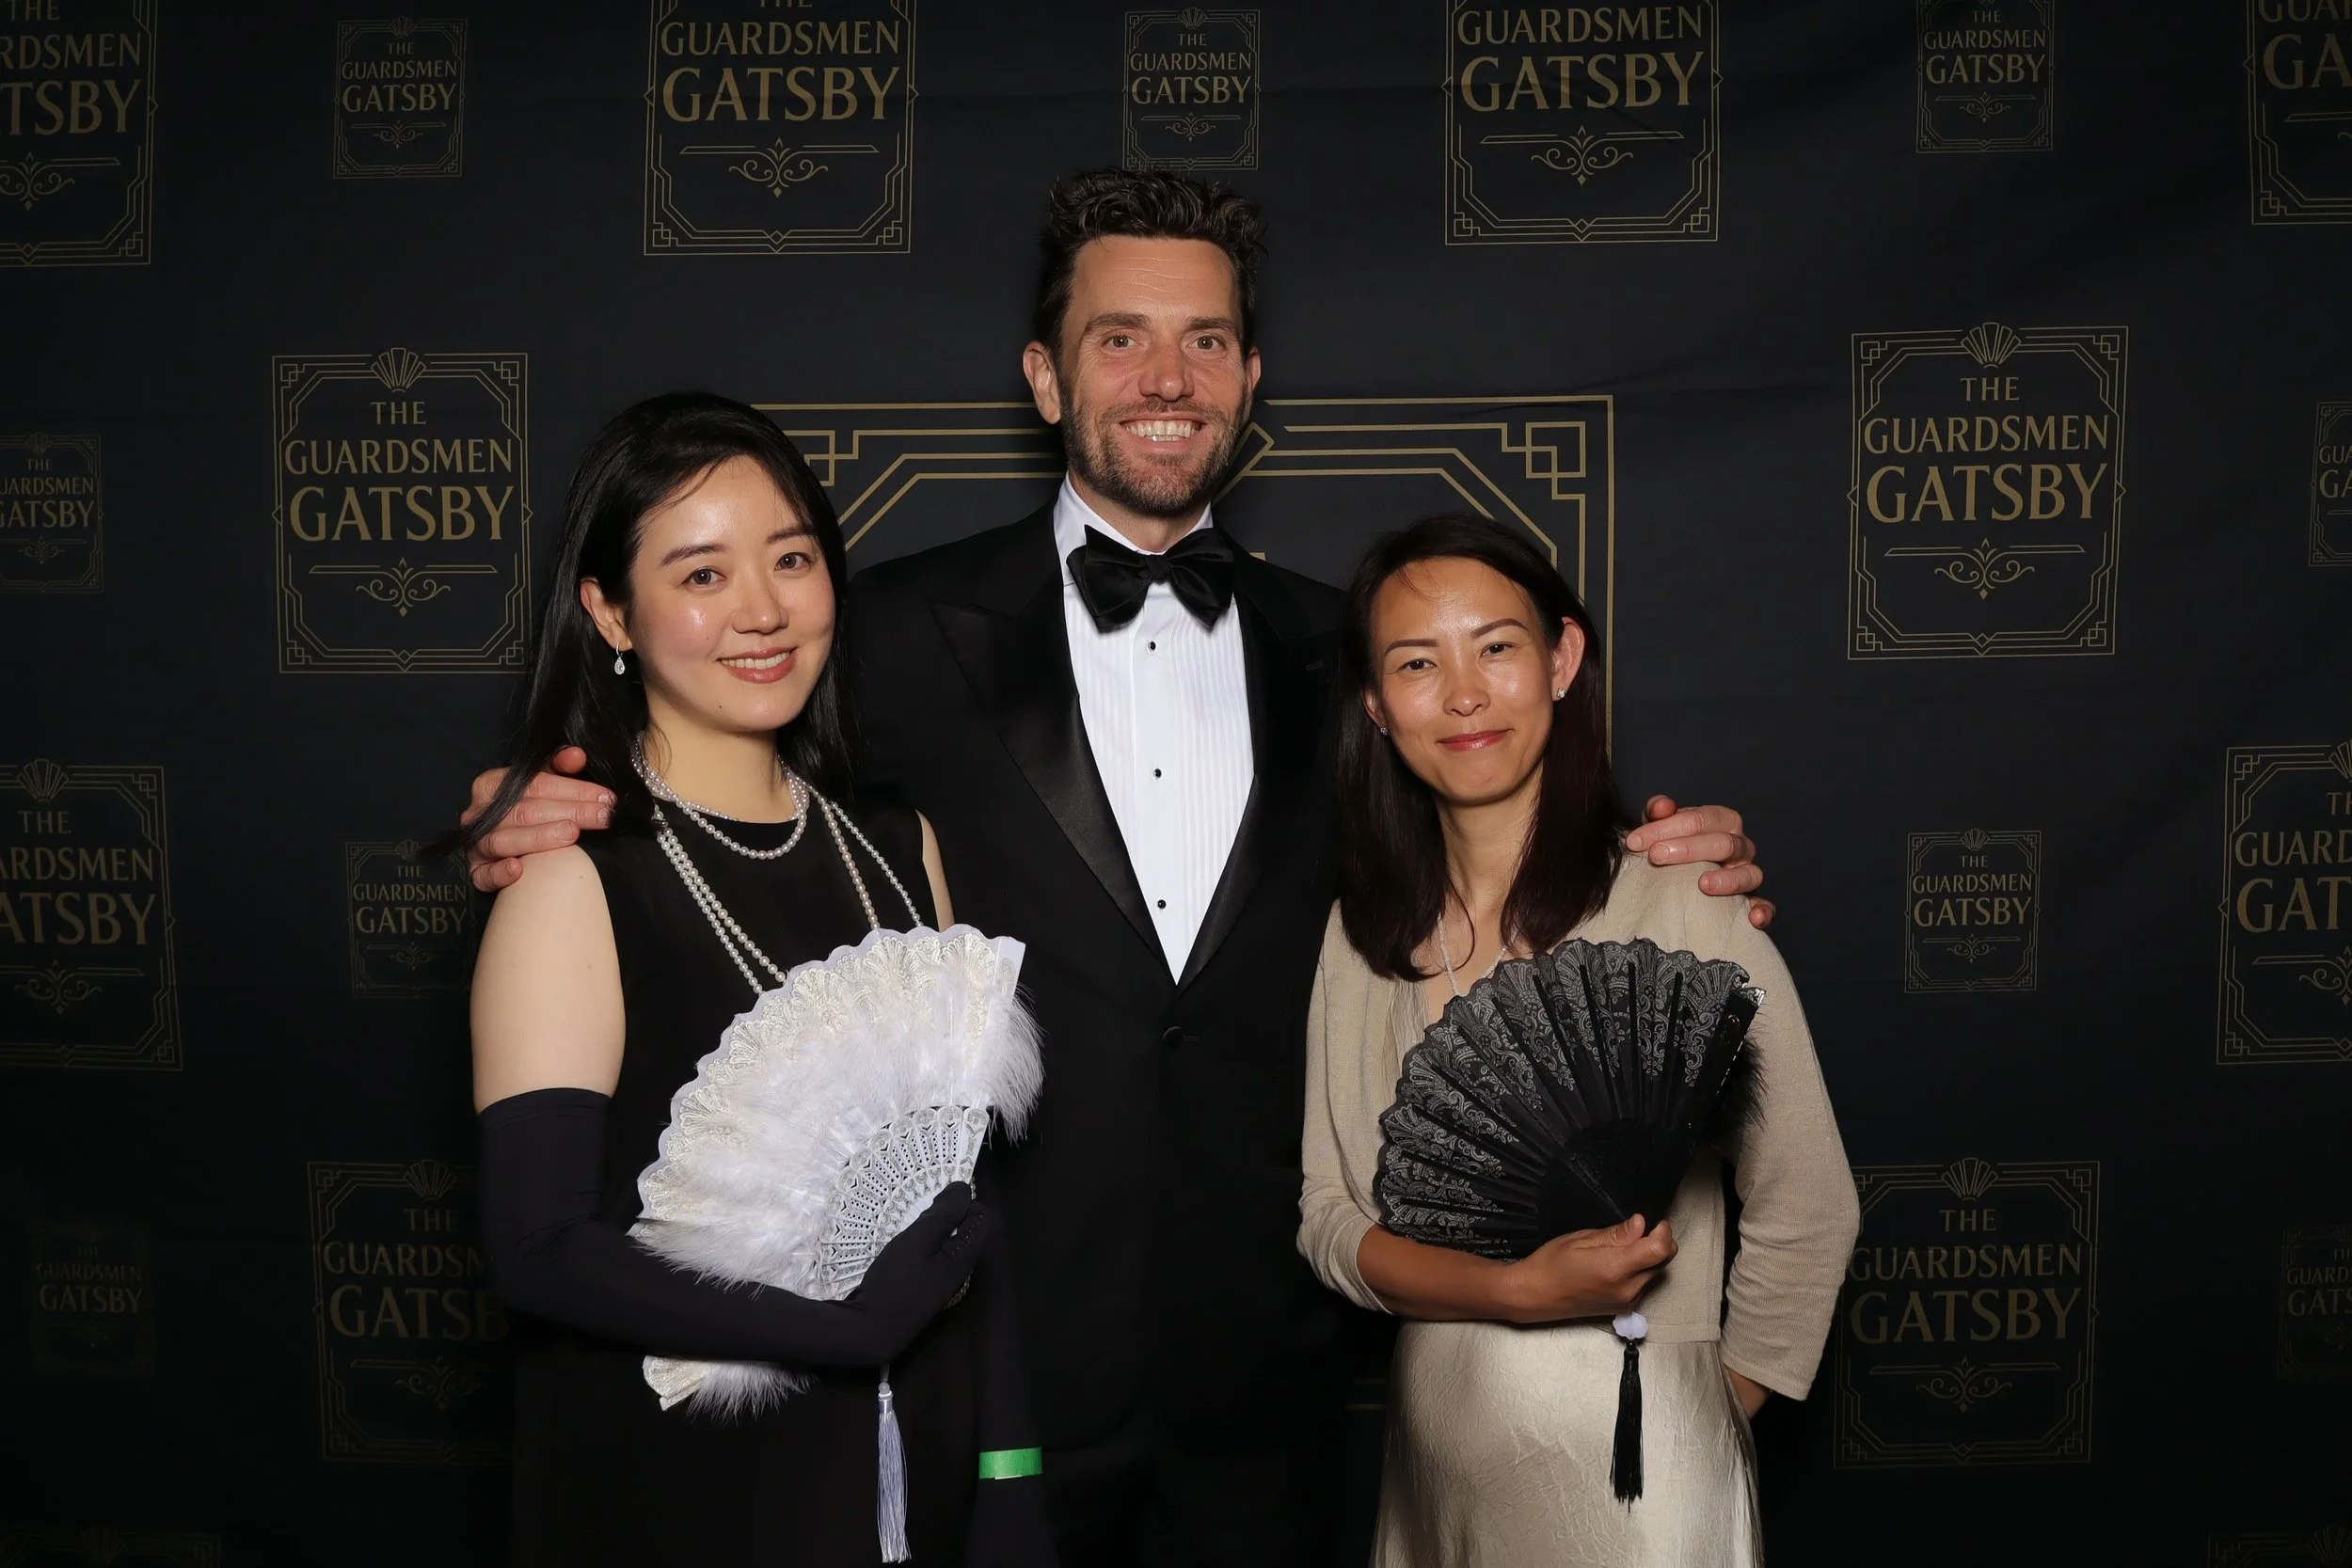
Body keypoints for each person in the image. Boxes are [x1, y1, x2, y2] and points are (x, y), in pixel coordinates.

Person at [460, 171, 1771, 1565]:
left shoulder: (1356, 653)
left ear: (1253, 376)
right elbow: (723, 797)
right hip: (978, 1356)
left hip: (1266, 1359)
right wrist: (526, 799)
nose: (1167, 376)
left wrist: (1666, 857)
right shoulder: (883, 630)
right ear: (1044, 374)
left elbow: (1499, 829)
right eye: (1119, 336)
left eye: (1207, 339)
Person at [456, 393, 1053, 1566]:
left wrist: (1010, 1472)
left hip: (916, 1454)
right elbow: (537, 1247)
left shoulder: (895, 843)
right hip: (685, 1481)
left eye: (790, 557)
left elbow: (962, 1215)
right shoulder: (570, 874)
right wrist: (838, 1327)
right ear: (609, 611)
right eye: (701, 574)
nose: (765, 610)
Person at [1296, 515, 1859, 1566]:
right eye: (1418, 663)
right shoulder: (1362, 933)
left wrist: (1710, 1406)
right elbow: (1330, 1216)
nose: (1463, 692)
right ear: (1376, 706)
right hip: (1436, 1457)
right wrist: (1510, 1290)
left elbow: (1810, 1197)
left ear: (1561, 659)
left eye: (1497, 646)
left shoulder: (1686, 903)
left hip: (1640, 1460)